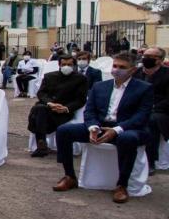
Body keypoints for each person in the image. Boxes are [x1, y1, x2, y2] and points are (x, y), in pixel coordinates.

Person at [53, 52, 152, 203]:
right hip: (100, 126)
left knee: (127, 139)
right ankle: (69, 176)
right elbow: (89, 111)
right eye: (115, 66)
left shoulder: (144, 88)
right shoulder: (100, 86)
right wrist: (93, 127)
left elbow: (141, 116)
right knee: (64, 131)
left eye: (122, 67)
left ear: (132, 70)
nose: (116, 70)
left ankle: (122, 185)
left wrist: (116, 130)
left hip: (127, 128)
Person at [28, 55, 88, 157]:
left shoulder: (80, 79)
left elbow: (80, 100)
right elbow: (41, 93)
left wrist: (66, 108)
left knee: (38, 112)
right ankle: (41, 144)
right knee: (39, 109)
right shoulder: (49, 76)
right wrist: (50, 103)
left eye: (69, 64)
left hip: (64, 111)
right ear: (59, 65)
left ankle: (41, 143)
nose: (66, 67)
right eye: (64, 64)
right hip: (47, 107)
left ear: (74, 65)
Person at [133, 47, 169, 174]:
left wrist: (152, 107)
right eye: (144, 55)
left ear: (160, 60)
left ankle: (150, 160)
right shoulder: (137, 73)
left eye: (150, 57)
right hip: (137, 107)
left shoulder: (167, 74)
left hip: (160, 110)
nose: (145, 58)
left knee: (151, 121)